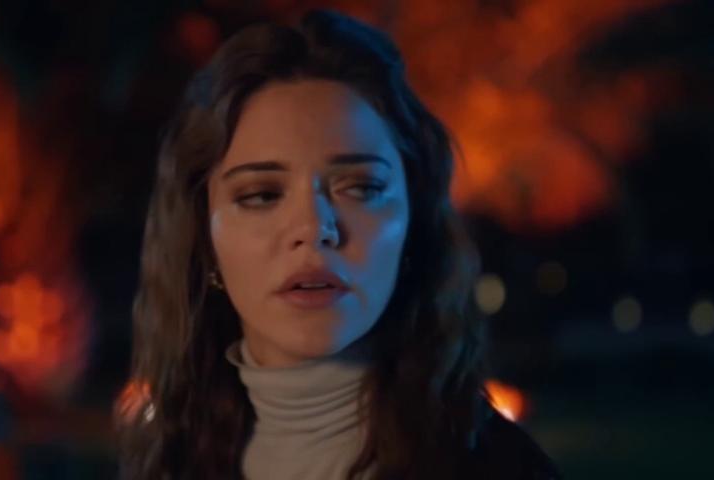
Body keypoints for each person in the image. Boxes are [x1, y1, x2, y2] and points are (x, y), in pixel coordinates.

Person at [117, 8, 561, 480]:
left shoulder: (498, 468)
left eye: (361, 188)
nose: (315, 228)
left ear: (414, 220)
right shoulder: (169, 464)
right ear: (205, 237)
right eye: (262, 194)